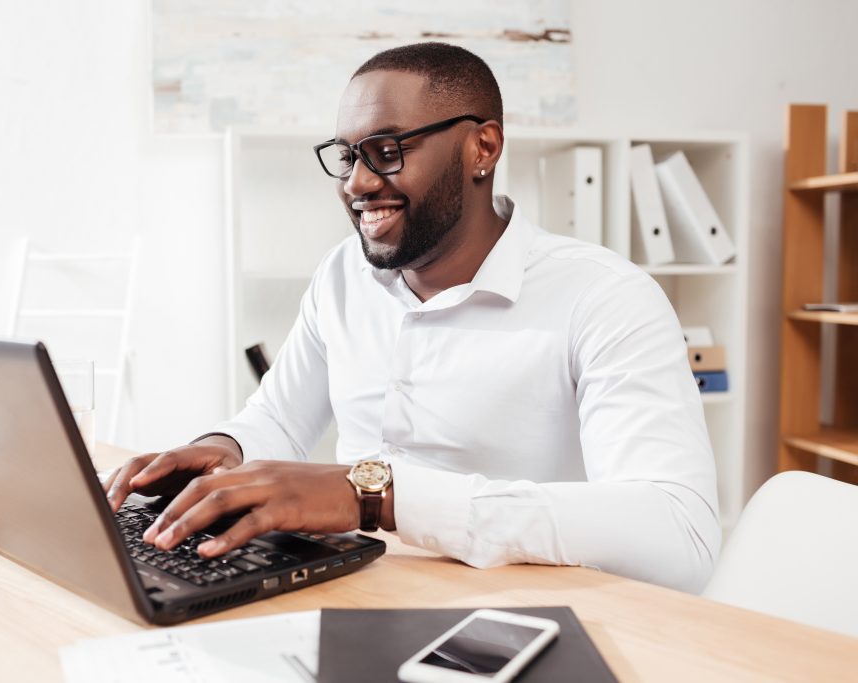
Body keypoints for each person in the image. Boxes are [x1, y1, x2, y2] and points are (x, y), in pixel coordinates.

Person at [104, 42, 721, 593]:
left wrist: (376, 496)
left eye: (389, 150)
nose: (358, 183)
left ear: (483, 147)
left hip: (519, 617)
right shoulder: (343, 274)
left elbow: (679, 537)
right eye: (347, 157)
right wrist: (223, 450)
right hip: (351, 589)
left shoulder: (605, 298)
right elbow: (277, 419)